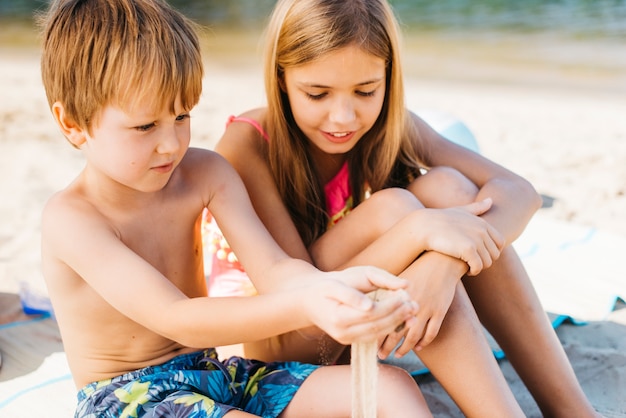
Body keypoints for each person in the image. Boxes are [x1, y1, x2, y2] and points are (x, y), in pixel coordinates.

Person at [37, 0, 437, 416]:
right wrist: (306, 305)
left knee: (391, 386)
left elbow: (277, 271)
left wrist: (332, 288)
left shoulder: (204, 172)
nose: (172, 144)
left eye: (181, 116)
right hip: (128, 397)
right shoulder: (72, 219)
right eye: (144, 126)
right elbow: (176, 316)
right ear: (72, 124)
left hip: (215, 373)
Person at [212, 0, 601, 416]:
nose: (342, 116)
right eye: (317, 93)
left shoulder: (390, 126)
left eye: (365, 91)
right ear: (282, 78)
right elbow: (297, 299)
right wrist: (418, 233)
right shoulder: (247, 144)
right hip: (284, 339)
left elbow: (520, 192)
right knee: (399, 209)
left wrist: (442, 267)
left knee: (450, 189)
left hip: (352, 316)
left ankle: (571, 409)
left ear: (388, 77)